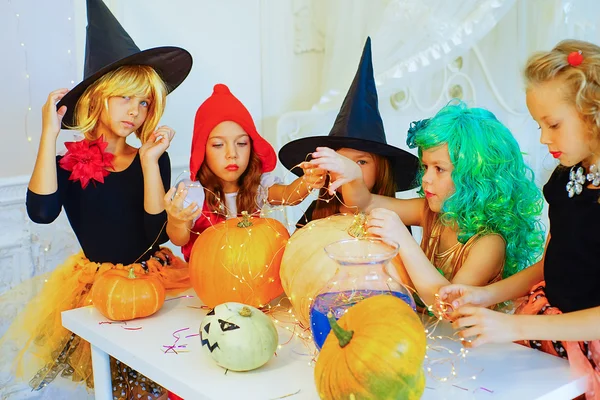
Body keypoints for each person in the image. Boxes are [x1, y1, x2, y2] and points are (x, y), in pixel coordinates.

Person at [0, 0, 192, 398]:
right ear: (98, 98)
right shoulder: (68, 165)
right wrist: (49, 134)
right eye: (125, 98)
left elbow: (155, 234)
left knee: (164, 374)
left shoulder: (152, 157)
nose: (135, 112)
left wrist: (150, 162)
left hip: (154, 278)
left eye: (144, 103)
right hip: (98, 286)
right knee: (115, 383)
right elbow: (41, 212)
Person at [440, 40, 600, 399]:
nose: (544, 138)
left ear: (594, 112)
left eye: (554, 124)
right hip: (550, 332)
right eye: (539, 125)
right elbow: (555, 263)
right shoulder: (565, 179)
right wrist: (485, 295)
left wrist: (510, 324)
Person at [310, 101, 545, 306]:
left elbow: (446, 305)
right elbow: (364, 202)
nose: (426, 178)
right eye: (425, 166)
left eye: (439, 169)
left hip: (469, 346)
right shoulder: (431, 213)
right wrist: (352, 175)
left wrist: (403, 240)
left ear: (474, 178)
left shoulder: (489, 243)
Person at [164, 83, 326, 261]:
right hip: (208, 278)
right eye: (218, 145)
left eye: (241, 143)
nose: (232, 154)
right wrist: (177, 221)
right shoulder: (192, 191)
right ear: (202, 150)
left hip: (254, 273)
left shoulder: (258, 185)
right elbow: (179, 239)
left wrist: (307, 181)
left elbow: (289, 195)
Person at [278, 37, 419, 229]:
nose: (348, 168)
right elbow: (298, 255)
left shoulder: (392, 218)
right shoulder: (316, 213)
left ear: (381, 169)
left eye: (361, 162)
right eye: (340, 160)